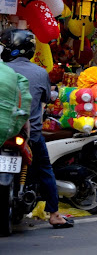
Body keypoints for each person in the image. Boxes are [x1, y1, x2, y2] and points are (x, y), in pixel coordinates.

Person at [0, 29, 74, 229]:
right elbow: (43, 101)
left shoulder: (2, 69)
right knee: (45, 169)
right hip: (29, 134)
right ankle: (55, 214)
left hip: (3, 132)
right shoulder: (40, 73)